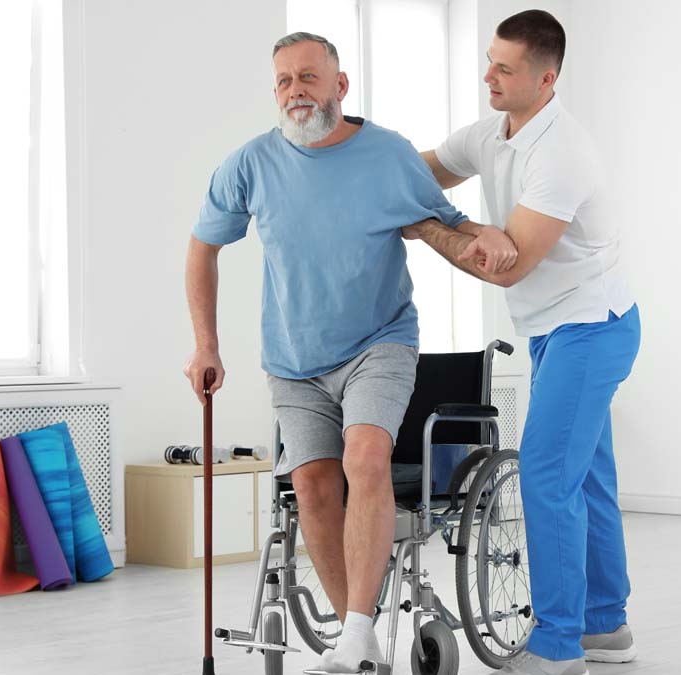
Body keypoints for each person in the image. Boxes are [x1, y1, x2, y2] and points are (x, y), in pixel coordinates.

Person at [182, 32, 510, 673]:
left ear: (340, 85)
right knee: (311, 483)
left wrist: (487, 232)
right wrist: (205, 343)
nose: (295, 91)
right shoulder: (250, 164)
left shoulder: (387, 155)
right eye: (283, 81)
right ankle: (357, 637)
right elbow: (202, 248)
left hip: (379, 341)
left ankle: (356, 633)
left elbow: (446, 221)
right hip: (293, 360)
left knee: (365, 457)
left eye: (308, 77)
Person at [403, 10, 641, 675]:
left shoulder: (563, 151)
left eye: (504, 68)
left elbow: (510, 262)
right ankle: (606, 624)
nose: (488, 76)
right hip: (551, 329)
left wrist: (428, 225)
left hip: (591, 327)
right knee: (585, 476)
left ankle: (559, 644)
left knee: (544, 473)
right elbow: (422, 173)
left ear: (546, 77)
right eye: (489, 61)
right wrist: (376, 176)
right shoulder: (491, 133)